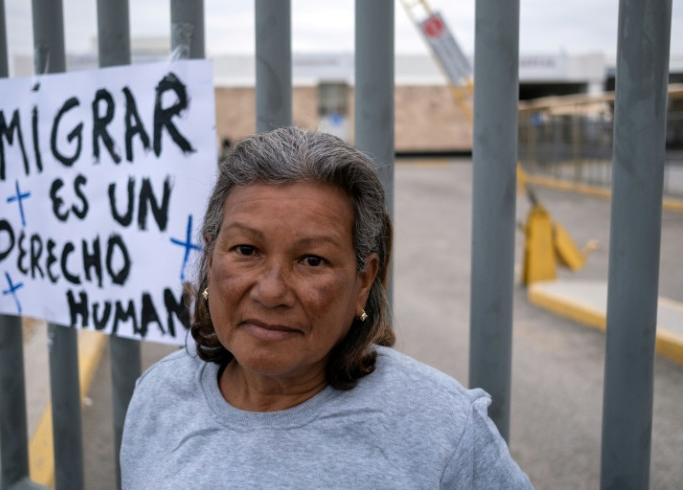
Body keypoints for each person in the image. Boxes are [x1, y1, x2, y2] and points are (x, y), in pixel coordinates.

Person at [120, 127, 533, 489]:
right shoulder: (159, 395)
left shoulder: (443, 427)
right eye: (246, 250)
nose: (271, 291)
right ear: (210, 259)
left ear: (364, 280)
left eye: (312, 260)